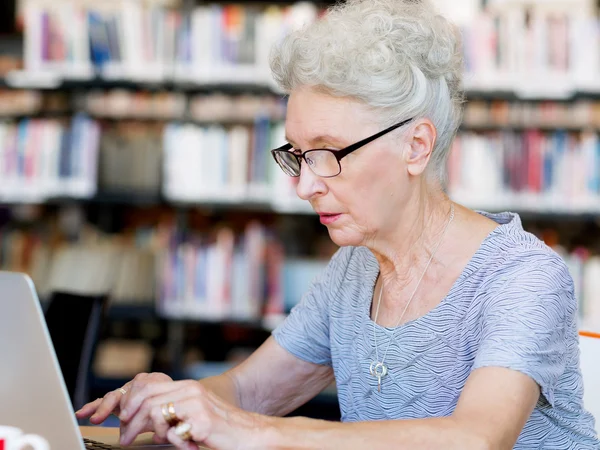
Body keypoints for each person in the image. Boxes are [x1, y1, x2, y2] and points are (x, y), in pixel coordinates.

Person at [77, 0, 600, 448]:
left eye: (328, 154)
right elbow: (247, 392)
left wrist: (262, 433)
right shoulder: (354, 269)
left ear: (415, 146)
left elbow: (477, 438)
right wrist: (170, 402)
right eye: (297, 155)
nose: (305, 186)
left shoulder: (523, 275)